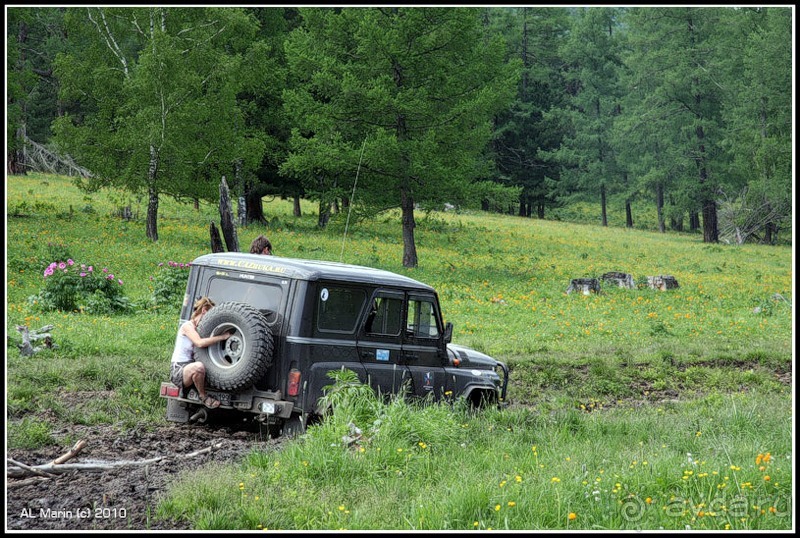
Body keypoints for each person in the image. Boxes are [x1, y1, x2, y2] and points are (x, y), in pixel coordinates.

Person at [170, 297, 231, 408]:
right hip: (179, 369)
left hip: (190, 366)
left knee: (203, 368)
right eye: (210, 315)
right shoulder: (187, 326)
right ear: (203, 310)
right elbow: (199, 343)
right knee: (199, 367)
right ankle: (203, 397)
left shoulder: (199, 330)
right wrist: (222, 337)